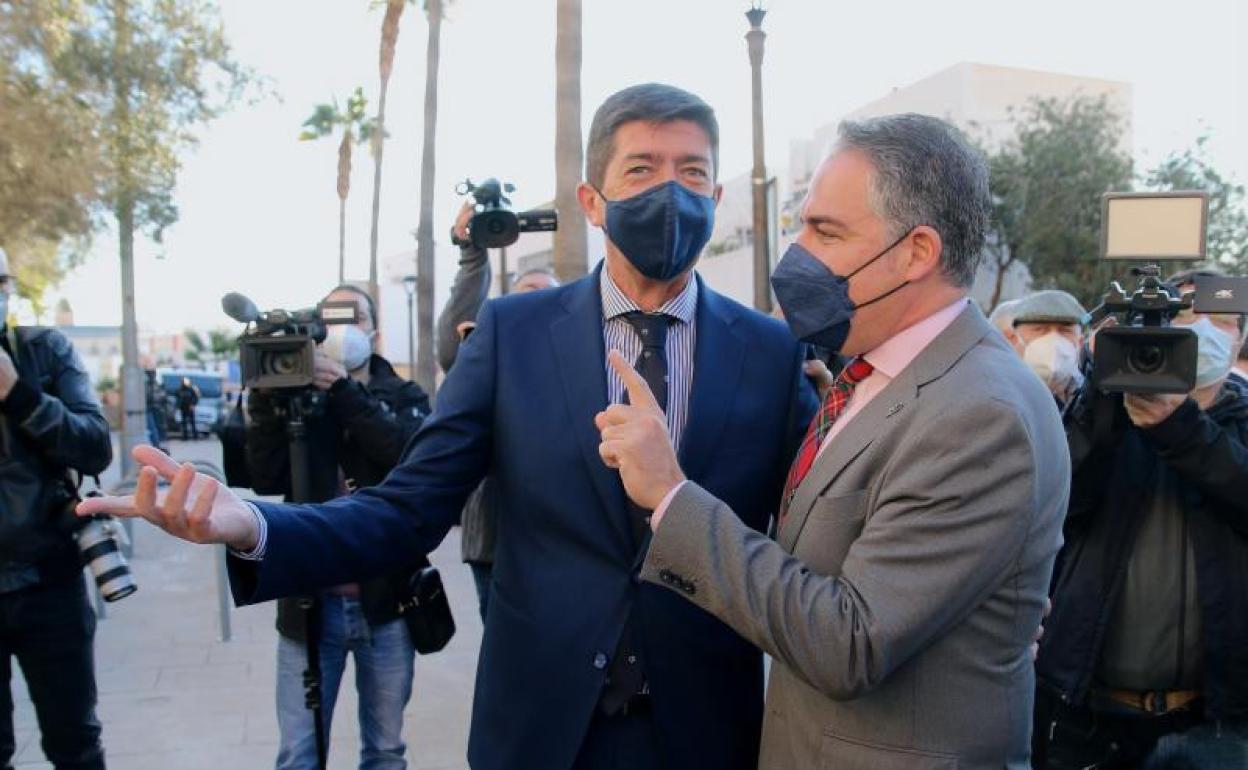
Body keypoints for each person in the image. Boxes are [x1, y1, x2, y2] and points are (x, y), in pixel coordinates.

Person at [81, 83, 817, 770]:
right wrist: (253, 525)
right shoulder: (512, 335)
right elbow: (405, 511)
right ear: (592, 200)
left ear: (718, 196)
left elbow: (813, 540)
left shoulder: (772, 353)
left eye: (692, 173)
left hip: (706, 732)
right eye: (641, 170)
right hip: (539, 730)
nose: (669, 191)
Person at [597, 113, 1069, 769]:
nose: (799, 253)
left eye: (826, 231)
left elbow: (849, 641)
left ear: (916, 253)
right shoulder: (869, 374)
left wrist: (670, 496)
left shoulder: (978, 412)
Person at [1034, 268, 1248, 769]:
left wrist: (1180, 429)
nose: (1202, 331)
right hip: (1086, 709)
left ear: (1240, 334)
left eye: (1221, 319)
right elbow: (1058, 500)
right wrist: (1102, 394)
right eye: (1187, 315)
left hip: (1213, 722)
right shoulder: (1104, 413)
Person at [245, 284, 432, 770]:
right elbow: (265, 477)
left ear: (375, 330)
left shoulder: (403, 394)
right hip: (309, 604)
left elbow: (406, 457)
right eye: (332, 321)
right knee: (299, 753)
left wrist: (345, 392)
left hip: (387, 602)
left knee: (386, 750)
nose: (346, 330)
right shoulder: (297, 400)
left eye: (358, 318)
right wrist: (267, 406)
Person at [0, 247, 113, 769]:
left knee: (75, 744)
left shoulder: (44, 351)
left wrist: (18, 394)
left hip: (49, 581)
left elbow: (94, 446)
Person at [436, 204, 559, 619]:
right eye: (528, 293)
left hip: (563, 544)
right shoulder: (489, 349)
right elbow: (450, 342)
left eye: (549, 292)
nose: (539, 301)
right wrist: (472, 254)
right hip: (493, 542)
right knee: (506, 658)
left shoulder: (583, 360)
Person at [1012, 289, 1087, 406]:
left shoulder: (1092, 394)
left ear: (1080, 342)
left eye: (1065, 331)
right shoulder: (1001, 391)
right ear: (1016, 340)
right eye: (1040, 330)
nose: (1054, 340)